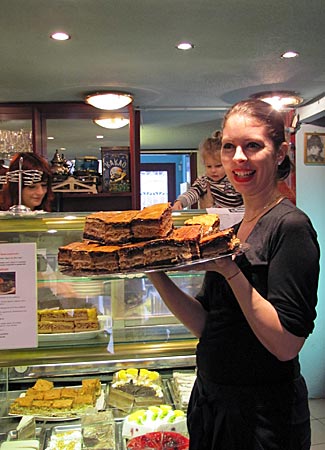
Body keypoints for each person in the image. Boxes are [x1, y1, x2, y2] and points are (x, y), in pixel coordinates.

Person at [148, 99, 319, 450]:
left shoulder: (290, 226)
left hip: (262, 414)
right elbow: (207, 325)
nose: (238, 158)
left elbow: (287, 345)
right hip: (211, 401)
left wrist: (229, 269)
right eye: (230, 147)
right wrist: (152, 270)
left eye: (253, 145)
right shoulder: (235, 227)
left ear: (280, 152)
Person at [172, 131, 243, 210]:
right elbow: (192, 192)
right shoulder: (204, 181)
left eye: (218, 166)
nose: (213, 170)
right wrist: (180, 202)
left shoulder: (236, 179)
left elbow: (249, 200)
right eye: (209, 166)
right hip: (215, 217)